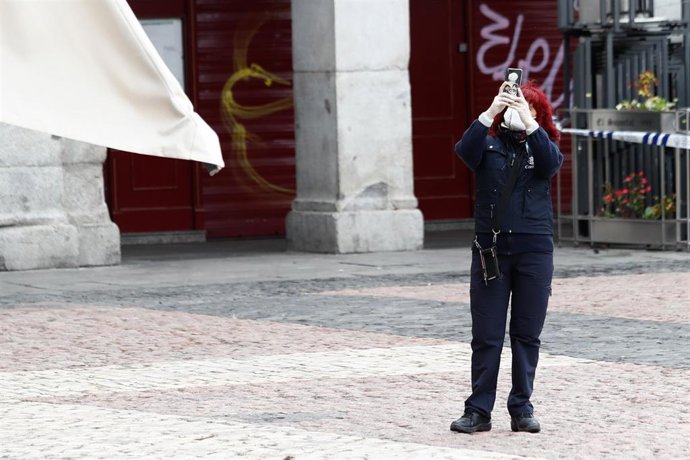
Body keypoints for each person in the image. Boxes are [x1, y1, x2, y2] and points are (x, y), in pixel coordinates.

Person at [450, 80, 563, 434]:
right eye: (513, 104)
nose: (517, 110)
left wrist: (531, 126)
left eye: (526, 106)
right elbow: (464, 151)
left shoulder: (543, 145)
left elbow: (551, 163)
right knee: (487, 334)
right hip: (492, 251)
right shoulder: (488, 143)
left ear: (538, 115)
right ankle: (478, 409)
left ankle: (522, 407)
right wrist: (490, 112)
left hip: (534, 250)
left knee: (526, 334)